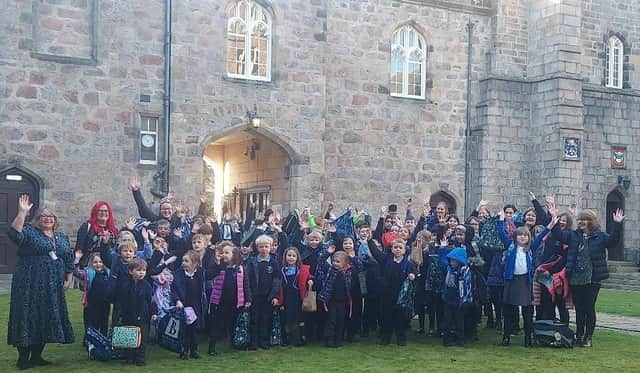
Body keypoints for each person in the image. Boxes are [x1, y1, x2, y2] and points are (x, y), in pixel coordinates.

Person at [7, 194, 75, 369]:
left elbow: (68, 257)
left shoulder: (61, 237)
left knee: (46, 317)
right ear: (36, 220)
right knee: (27, 316)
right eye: (43, 217)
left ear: (55, 220)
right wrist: (22, 213)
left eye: (50, 217)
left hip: (52, 286)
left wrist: (68, 278)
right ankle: (23, 358)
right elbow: (15, 234)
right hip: (29, 283)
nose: (47, 219)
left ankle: (37, 356)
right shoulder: (29, 232)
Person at [551, 208, 624, 347]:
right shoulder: (574, 236)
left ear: (591, 221)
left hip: (593, 278)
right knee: (579, 308)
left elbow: (613, 241)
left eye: (584, 219)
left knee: (588, 307)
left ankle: (588, 336)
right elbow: (559, 235)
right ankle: (579, 335)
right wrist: (553, 218)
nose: (581, 222)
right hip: (576, 277)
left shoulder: (600, 236)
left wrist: (617, 224)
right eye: (580, 220)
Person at [497, 210, 546, 347]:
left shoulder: (531, 248)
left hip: (525, 282)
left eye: (525, 235)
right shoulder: (510, 246)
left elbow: (542, 235)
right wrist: (502, 220)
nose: (523, 237)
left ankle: (528, 337)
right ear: (515, 237)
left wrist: (551, 223)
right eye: (520, 235)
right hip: (511, 281)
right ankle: (506, 337)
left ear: (529, 238)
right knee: (508, 311)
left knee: (527, 312)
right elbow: (501, 234)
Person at [208, 245, 252, 356]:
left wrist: (248, 299)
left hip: (236, 301)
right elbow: (210, 274)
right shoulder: (220, 267)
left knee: (233, 324)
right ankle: (211, 347)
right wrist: (217, 263)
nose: (224, 255)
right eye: (223, 252)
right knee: (217, 325)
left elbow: (246, 285)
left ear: (234, 255)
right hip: (220, 302)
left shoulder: (240, 269)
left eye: (226, 252)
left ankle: (234, 343)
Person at [116, 259, 157, 366]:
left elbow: (151, 300)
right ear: (131, 271)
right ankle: (129, 359)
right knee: (130, 338)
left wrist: (153, 313)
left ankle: (140, 359)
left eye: (144, 270)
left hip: (143, 316)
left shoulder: (147, 286)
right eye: (138, 270)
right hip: (129, 316)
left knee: (142, 339)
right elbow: (122, 301)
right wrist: (121, 313)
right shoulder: (125, 285)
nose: (141, 272)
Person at [171, 250, 211, 359]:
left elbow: (212, 274)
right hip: (184, 305)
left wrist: (217, 261)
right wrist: (177, 300)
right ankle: (184, 351)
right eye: (183, 260)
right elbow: (173, 290)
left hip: (196, 305)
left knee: (194, 329)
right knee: (184, 330)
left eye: (186, 261)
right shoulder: (178, 274)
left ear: (194, 263)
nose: (183, 263)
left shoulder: (200, 273)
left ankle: (194, 350)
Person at [245, 235, 281, 350]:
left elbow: (277, 280)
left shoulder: (274, 262)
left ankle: (264, 341)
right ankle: (253, 342)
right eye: (261, 247)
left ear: (270, 247)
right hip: (255, 296)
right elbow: (248, 279)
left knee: (266, 319)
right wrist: (249, 297)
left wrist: (275, 296)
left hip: (268, 296)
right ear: (257, 247)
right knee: (254, 319)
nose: (264, 249)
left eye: (266, 246)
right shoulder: (253, 261)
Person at [73, 251, 113, 343]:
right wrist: (77, 260)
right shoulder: (87, 273)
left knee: (104, 322)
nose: (98, 264)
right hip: (91, 303)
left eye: (100, 262)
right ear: (91, 263)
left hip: (104, 303)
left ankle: (103, 340)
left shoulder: (108, 273)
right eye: (95, 262)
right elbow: (75, 272)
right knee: (91, 322)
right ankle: (89, 340)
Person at [277, 247, 313, 346]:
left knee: (300, 318)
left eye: (294, 256)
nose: (291, 258)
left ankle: (301, 337)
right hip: (286, 297)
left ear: (297, 257)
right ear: (285, 257)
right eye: (289, 255)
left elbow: (308, 276)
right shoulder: (282, 270)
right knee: (288, 318)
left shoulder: (302, 269)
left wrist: (310, 280)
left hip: (298, 297)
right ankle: (288, 338)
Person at [441, 247, 473, 347]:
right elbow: (441, 260)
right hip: (448, 298)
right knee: (447, 320)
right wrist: (443, 248)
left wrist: (465, 300)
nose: (452, 262)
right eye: (451, 260)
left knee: (459, 321)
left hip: (459, 300)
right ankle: (447, 339)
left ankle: (460, 339)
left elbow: (467, 287)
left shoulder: (464, 271)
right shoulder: (449, 269)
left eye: (454, 260)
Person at [75, 201, 119, 267]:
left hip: (108, 266)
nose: (103, 213)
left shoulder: (113, 230)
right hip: (89, 266)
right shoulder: (87, 227)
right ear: (95, 212)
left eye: (105, 211)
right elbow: (79, 247)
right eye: (100, 211)